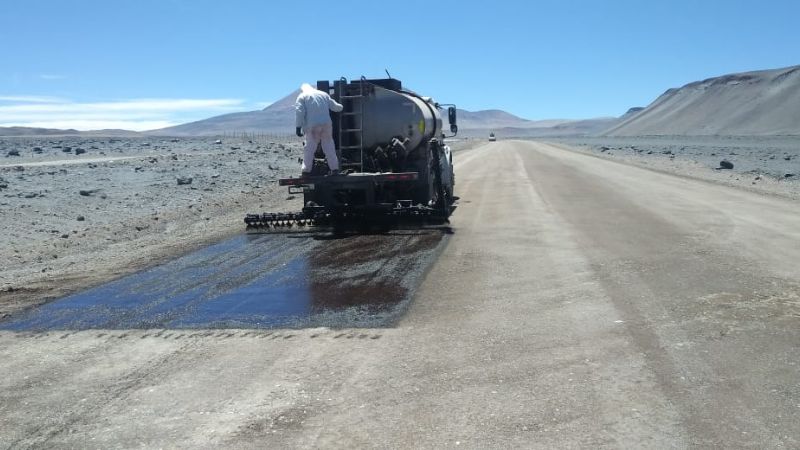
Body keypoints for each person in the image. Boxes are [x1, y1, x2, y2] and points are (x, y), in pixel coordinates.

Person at [295, 83, 343, 175]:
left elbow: (299, 111)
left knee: (309, 148)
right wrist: (341, 107)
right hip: (326, 124)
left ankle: (306, 171)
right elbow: (335, 106)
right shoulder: (323, 94)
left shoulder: (302, 96)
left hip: (312, 126)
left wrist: (298, 127)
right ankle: (334, 169)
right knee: (329, 146)